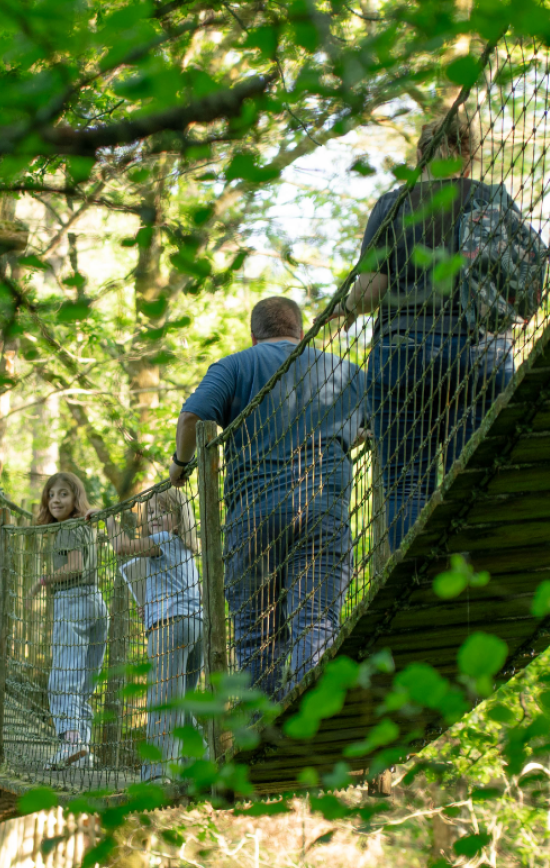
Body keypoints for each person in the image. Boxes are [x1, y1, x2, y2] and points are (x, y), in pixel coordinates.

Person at [343, 111, 522, 552]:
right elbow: (519, 286)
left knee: (406, 487)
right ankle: (468, 585)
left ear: (420, 155)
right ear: (470, 154)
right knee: (471, 478)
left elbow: (369, 293)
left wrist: (346, 307)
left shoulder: (394, 205)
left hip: (404, 355)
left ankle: (417, 584)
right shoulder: (493, 201)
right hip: (480, 355)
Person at [169, 296, 365, 701]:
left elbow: (191, 418)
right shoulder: (345, 371)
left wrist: (179, 465)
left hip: (253, 518)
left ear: (254, 334)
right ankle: (313, 723)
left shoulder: (235, 366)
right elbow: (373, 427)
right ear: (298, 330)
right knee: (316, 622)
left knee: (257, 633)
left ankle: (263, 735)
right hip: (322, 510)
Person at [98, 489, 203, 783]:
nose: (155, 517)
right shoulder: (185, 552)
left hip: (169, 630)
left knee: (163, 699)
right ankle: (204, 762)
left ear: (179, 521)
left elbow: (120, 547)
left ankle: (158, 773)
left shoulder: (163, 540)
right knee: (182, 703)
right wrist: (154, 606)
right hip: (195, 629)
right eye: (151, 512)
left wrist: (107, 518)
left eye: (164, 511)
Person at [30, 472, 108, 768]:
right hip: (96, 604)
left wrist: (43, 581)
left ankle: (71, 743)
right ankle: (81, 751)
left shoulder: (68, 529)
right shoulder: (87, 527)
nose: (55, 500)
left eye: (63, 494)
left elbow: (74, 567)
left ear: (76, 497)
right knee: (84, 681)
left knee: (63, 678)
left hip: (73, 602)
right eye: (51, 495)